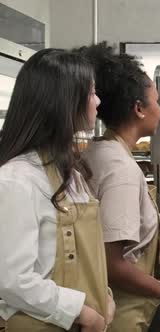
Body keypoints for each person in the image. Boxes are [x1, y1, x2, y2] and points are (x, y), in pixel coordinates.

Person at [0, 48, 114, 331]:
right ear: (65, 103)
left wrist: (104, 296)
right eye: (91, 93)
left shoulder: (70, 175)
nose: (98, 101)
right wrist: (81, 312)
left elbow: (88, 259)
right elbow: (12, 279)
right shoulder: (17, 180)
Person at [74, 43, 160, 332]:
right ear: (139, 109)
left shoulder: (97, 152)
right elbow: (113, 264)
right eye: (156, 100)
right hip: (122, 309)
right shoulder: (120, 169)